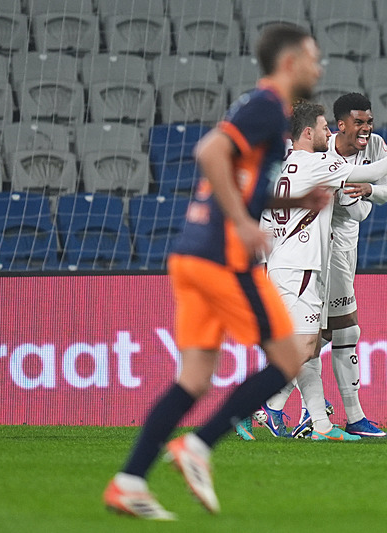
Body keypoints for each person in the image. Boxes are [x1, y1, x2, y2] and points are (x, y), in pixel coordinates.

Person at [103, 24, 327, 520]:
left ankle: (129, 481)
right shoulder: (267, 105)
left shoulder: (260, 107)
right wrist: (244, 225)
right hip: (223, 259)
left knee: (194, 378)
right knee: (289, 357)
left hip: (192, 255)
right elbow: (209, 152)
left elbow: (243, 184)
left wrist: (294, 201)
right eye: (313, 58)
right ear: (290, 63)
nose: (319, 67)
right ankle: (199, 445)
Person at [255, 102, 387, 441]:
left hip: (291, 263)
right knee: (306, 346)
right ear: (309, 132)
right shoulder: (317, 162)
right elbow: (367, 174)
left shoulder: (287, 162)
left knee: (311, 347)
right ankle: (256, 404)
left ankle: (320, 425)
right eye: (326, 128)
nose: (330, 134)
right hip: (301, 267)